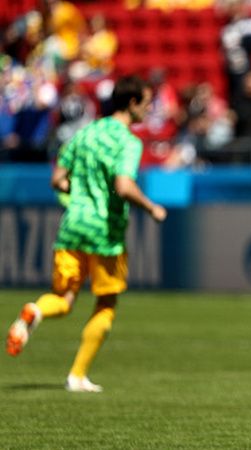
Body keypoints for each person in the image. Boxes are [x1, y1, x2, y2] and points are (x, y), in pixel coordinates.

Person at [4, 75, 167, 392]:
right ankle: (77, 376)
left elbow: (58, 179)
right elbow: (123, 185)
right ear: (132, 103)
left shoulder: (84, 133)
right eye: (147, 104)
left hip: (72, 226)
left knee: (63, 300)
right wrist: (151, 207)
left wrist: (81, 193)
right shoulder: (127, 141)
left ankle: (34, 311)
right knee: (105, 303)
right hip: (105, 233)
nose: (149, 110)